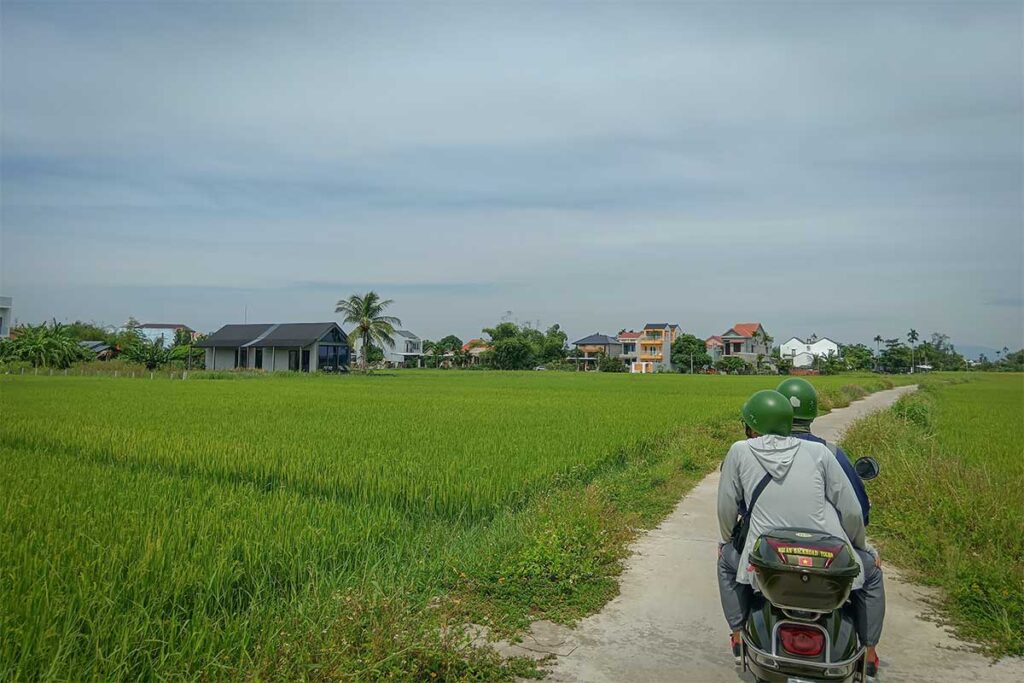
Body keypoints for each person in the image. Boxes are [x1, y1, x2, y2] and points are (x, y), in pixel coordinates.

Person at [717, 389, 884, 679]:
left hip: (769, 560)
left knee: (725, 563)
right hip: (825, 560)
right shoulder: (819, 452)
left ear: (753, 426)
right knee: (871, 573)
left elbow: (726, 507)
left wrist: (725, 541)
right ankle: (868, 653)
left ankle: (737, 635)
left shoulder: (740, 450)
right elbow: (853, 512)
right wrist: (862, 548)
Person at [776, 377, 870, 525]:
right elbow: (858, 510)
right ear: (813, 416)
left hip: (765, 540)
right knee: (866, 550)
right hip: (822, 541)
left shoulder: (755, 450)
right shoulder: (831, 452)